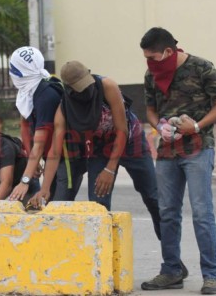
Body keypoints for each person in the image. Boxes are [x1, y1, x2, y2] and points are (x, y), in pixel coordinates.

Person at [28, 60, 181, 257]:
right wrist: (45, 188)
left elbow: (121, 129)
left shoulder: (107, 86)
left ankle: (172, 262)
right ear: (69, 89)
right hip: (100, 150)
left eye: (87, 84)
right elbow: (55, 153)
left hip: (131, 142)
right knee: (98, 205)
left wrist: (110, 169)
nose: (87, 90)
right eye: (80, 88)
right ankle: (104, 261)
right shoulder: (63, 110)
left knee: (153, 197)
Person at [139, 27, 216, 295]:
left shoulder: (201, 67)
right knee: (167, 213)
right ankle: (171, 270)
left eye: (153, 57)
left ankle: (211, 274)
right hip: (167, 152)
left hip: (198, 149)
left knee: (202, 213)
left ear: (168, 51)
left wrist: (197, 126)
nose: (150, 63)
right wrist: (160, 126)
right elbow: (152, 110)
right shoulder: (151, 75)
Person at [6, 46, 62, 203]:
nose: (11, 73)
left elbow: (40, 144)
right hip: (49, 155)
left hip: (65, 158)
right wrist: (33, 160)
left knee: (57, 207)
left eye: (13, 69)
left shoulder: (46, 95)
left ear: (22, 72)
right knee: (48, 205)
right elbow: (24, 125)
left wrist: (25, 181)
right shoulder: (28, 88)